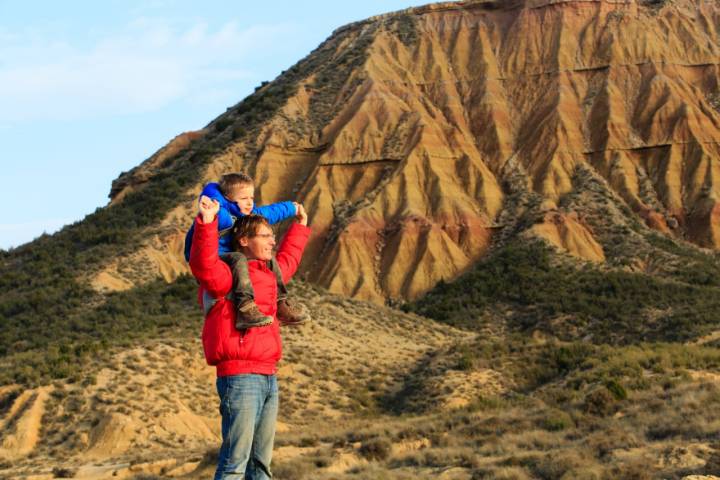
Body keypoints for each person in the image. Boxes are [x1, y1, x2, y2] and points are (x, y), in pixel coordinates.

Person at [190, 194, 311, 479]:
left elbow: (289, 259)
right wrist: (206, 223)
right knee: (235, 465)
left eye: (272, 236)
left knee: (260, 467)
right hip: (240, 377)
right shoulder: (227, 275)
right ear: (244, 240)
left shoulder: (269, 274)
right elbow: (204, 265)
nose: (272, 241)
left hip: (269, 376)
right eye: (265, 236)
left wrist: (301, 226)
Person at [184, 172, 309, 329]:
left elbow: (271, 213)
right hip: (216, 257)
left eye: (251, 198)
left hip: (233, 257)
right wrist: (209, 214)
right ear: (229, 198)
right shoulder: (222, 213)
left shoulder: (247, 214)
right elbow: (203, 247)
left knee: (268, 259)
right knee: (238, 258)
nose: (250, 203)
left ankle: (281, 302)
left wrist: (293, 208)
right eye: (244, 199)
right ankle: (245, 307)